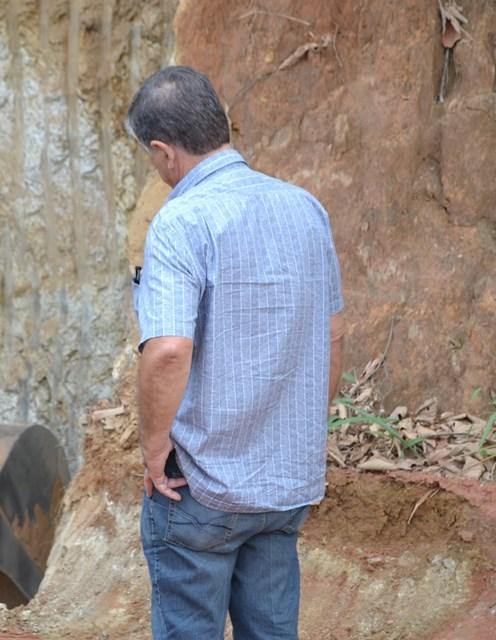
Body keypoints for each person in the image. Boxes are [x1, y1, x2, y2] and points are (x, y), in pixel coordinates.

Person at [127, 66, 345, 640]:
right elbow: (334, 335)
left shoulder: (181, 220)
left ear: (163, 151)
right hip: (284, 486)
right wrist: (296, 434)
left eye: (153, 159)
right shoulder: (305, 209)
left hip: (204, 485)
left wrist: (153, 448)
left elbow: (169, 350)